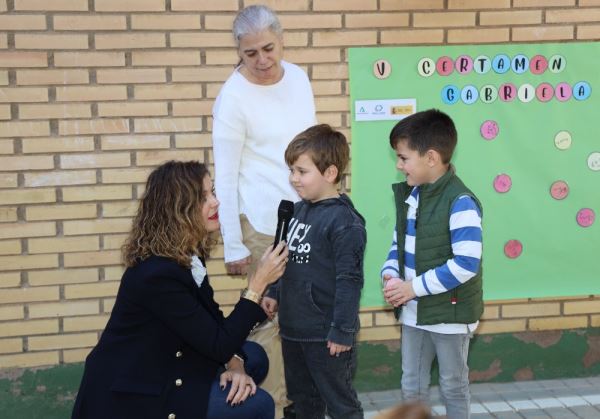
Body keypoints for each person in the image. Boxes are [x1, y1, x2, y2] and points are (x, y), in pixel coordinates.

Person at [71, 161, 289, 419]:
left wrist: (236, 365)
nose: (215, 202)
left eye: (213, 192)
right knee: (258, 405)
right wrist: (256, 285)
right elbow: (218, 343)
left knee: (253, 356)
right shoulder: (157, 275)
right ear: (177, 210)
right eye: (203, 197)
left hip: (171, 362)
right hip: (138, 394)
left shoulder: (186, 254)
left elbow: (212, 323)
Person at [212, 4, 316, 414]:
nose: (261, 60)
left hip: (304, 214)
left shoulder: (300, 79)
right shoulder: (233, 98)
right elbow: (225, 174)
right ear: (238, 49)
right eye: (249, 52)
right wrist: (233, 244)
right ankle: (267, 407)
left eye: (268, 49)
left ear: (281, 39)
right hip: (259, 221)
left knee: (300, 310)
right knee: (267, 314)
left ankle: (295, 400)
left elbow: (311, 144)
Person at [380, 109, 483, 419]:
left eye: (403, 157)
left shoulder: (460, 201)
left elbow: (466, 263)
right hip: (414, 314)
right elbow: (400, 243)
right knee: (412, 386)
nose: (399, 165)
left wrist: (412, 287)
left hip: (449, 314)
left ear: (431, 158)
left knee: (452, 385)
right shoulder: (413, 196)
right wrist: (390, 273)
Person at [263, 124, 366, 419]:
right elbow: (286, 260)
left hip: (327, 337)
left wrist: (342, 331)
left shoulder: (344, 222)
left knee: (340, 405)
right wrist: (274, 292)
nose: (293, 178)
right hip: (294, 330)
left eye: (301, 171)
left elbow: (350, 281)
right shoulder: (298, 211)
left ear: (330, 173)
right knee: (301, 403)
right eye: (291, 170)